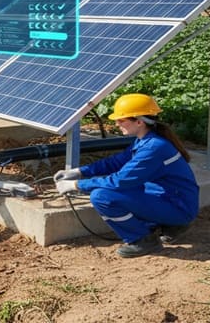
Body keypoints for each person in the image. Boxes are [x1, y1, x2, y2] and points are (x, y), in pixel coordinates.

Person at [55, 93, 199, 258]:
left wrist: (76, 185)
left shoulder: (153, 148)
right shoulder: (147, 140)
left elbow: (120, 181)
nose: (116, 124)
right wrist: (79, 171)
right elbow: (117, 162)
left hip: (178, 208)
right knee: (126, 187)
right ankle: (168, 225)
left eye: (121, 120)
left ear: (139, 122)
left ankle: (143, 240)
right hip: (170, 200)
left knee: (102, 196)